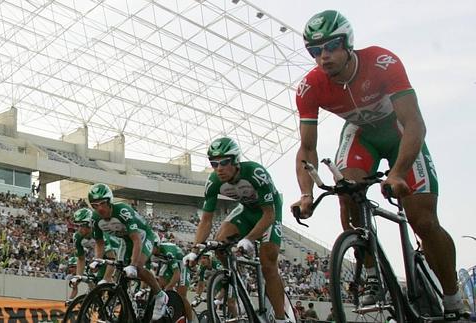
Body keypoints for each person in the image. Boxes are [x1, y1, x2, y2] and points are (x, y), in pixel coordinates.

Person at [292, 9, 461, 315]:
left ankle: (452, 299)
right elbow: (307, 147)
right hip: (361, 135)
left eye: (330, 47)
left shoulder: (382, 62)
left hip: (398, 132)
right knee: (346, 191)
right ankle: (372, 275)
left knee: (423, 221)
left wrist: (397, 173)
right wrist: (306, 194)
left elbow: (414, 124)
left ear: (348, 44)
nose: (323, 57)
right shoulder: (310, 86)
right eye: (315, 51)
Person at [190, 137, 289, 323]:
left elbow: (269, 215)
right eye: (213, 163)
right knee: (219, 244)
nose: (218, 168)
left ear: (235, 161)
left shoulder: (255, 172)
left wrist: (249, 239)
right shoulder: (213, 182)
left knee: (269, 264)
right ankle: (235, 274)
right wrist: (195, 250)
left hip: (268, 211)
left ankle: (281, 318)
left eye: (224, 162)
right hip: (245, 211)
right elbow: (206, 220)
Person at [87, 183, 168, 321]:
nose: (100, 208)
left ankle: (160, 295)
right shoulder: (95, 219)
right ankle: (129, 305)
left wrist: (133, 263)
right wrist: (97, 260)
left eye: (103, 203)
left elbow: (136, 239)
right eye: (95, 205)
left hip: (143, 236)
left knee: (137, 267)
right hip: (126, 240)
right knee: (120, 273)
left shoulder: (122, 211)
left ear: (110, 201)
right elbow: (100, 243)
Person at [152, 242, 194, 323]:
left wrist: (170, 286)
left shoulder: (168, 251)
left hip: (181, 265)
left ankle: (190, 321)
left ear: (156, 246)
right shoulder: (153, 250)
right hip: (168, 264)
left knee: (181, 295)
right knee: (159, 289)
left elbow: (177, 273)